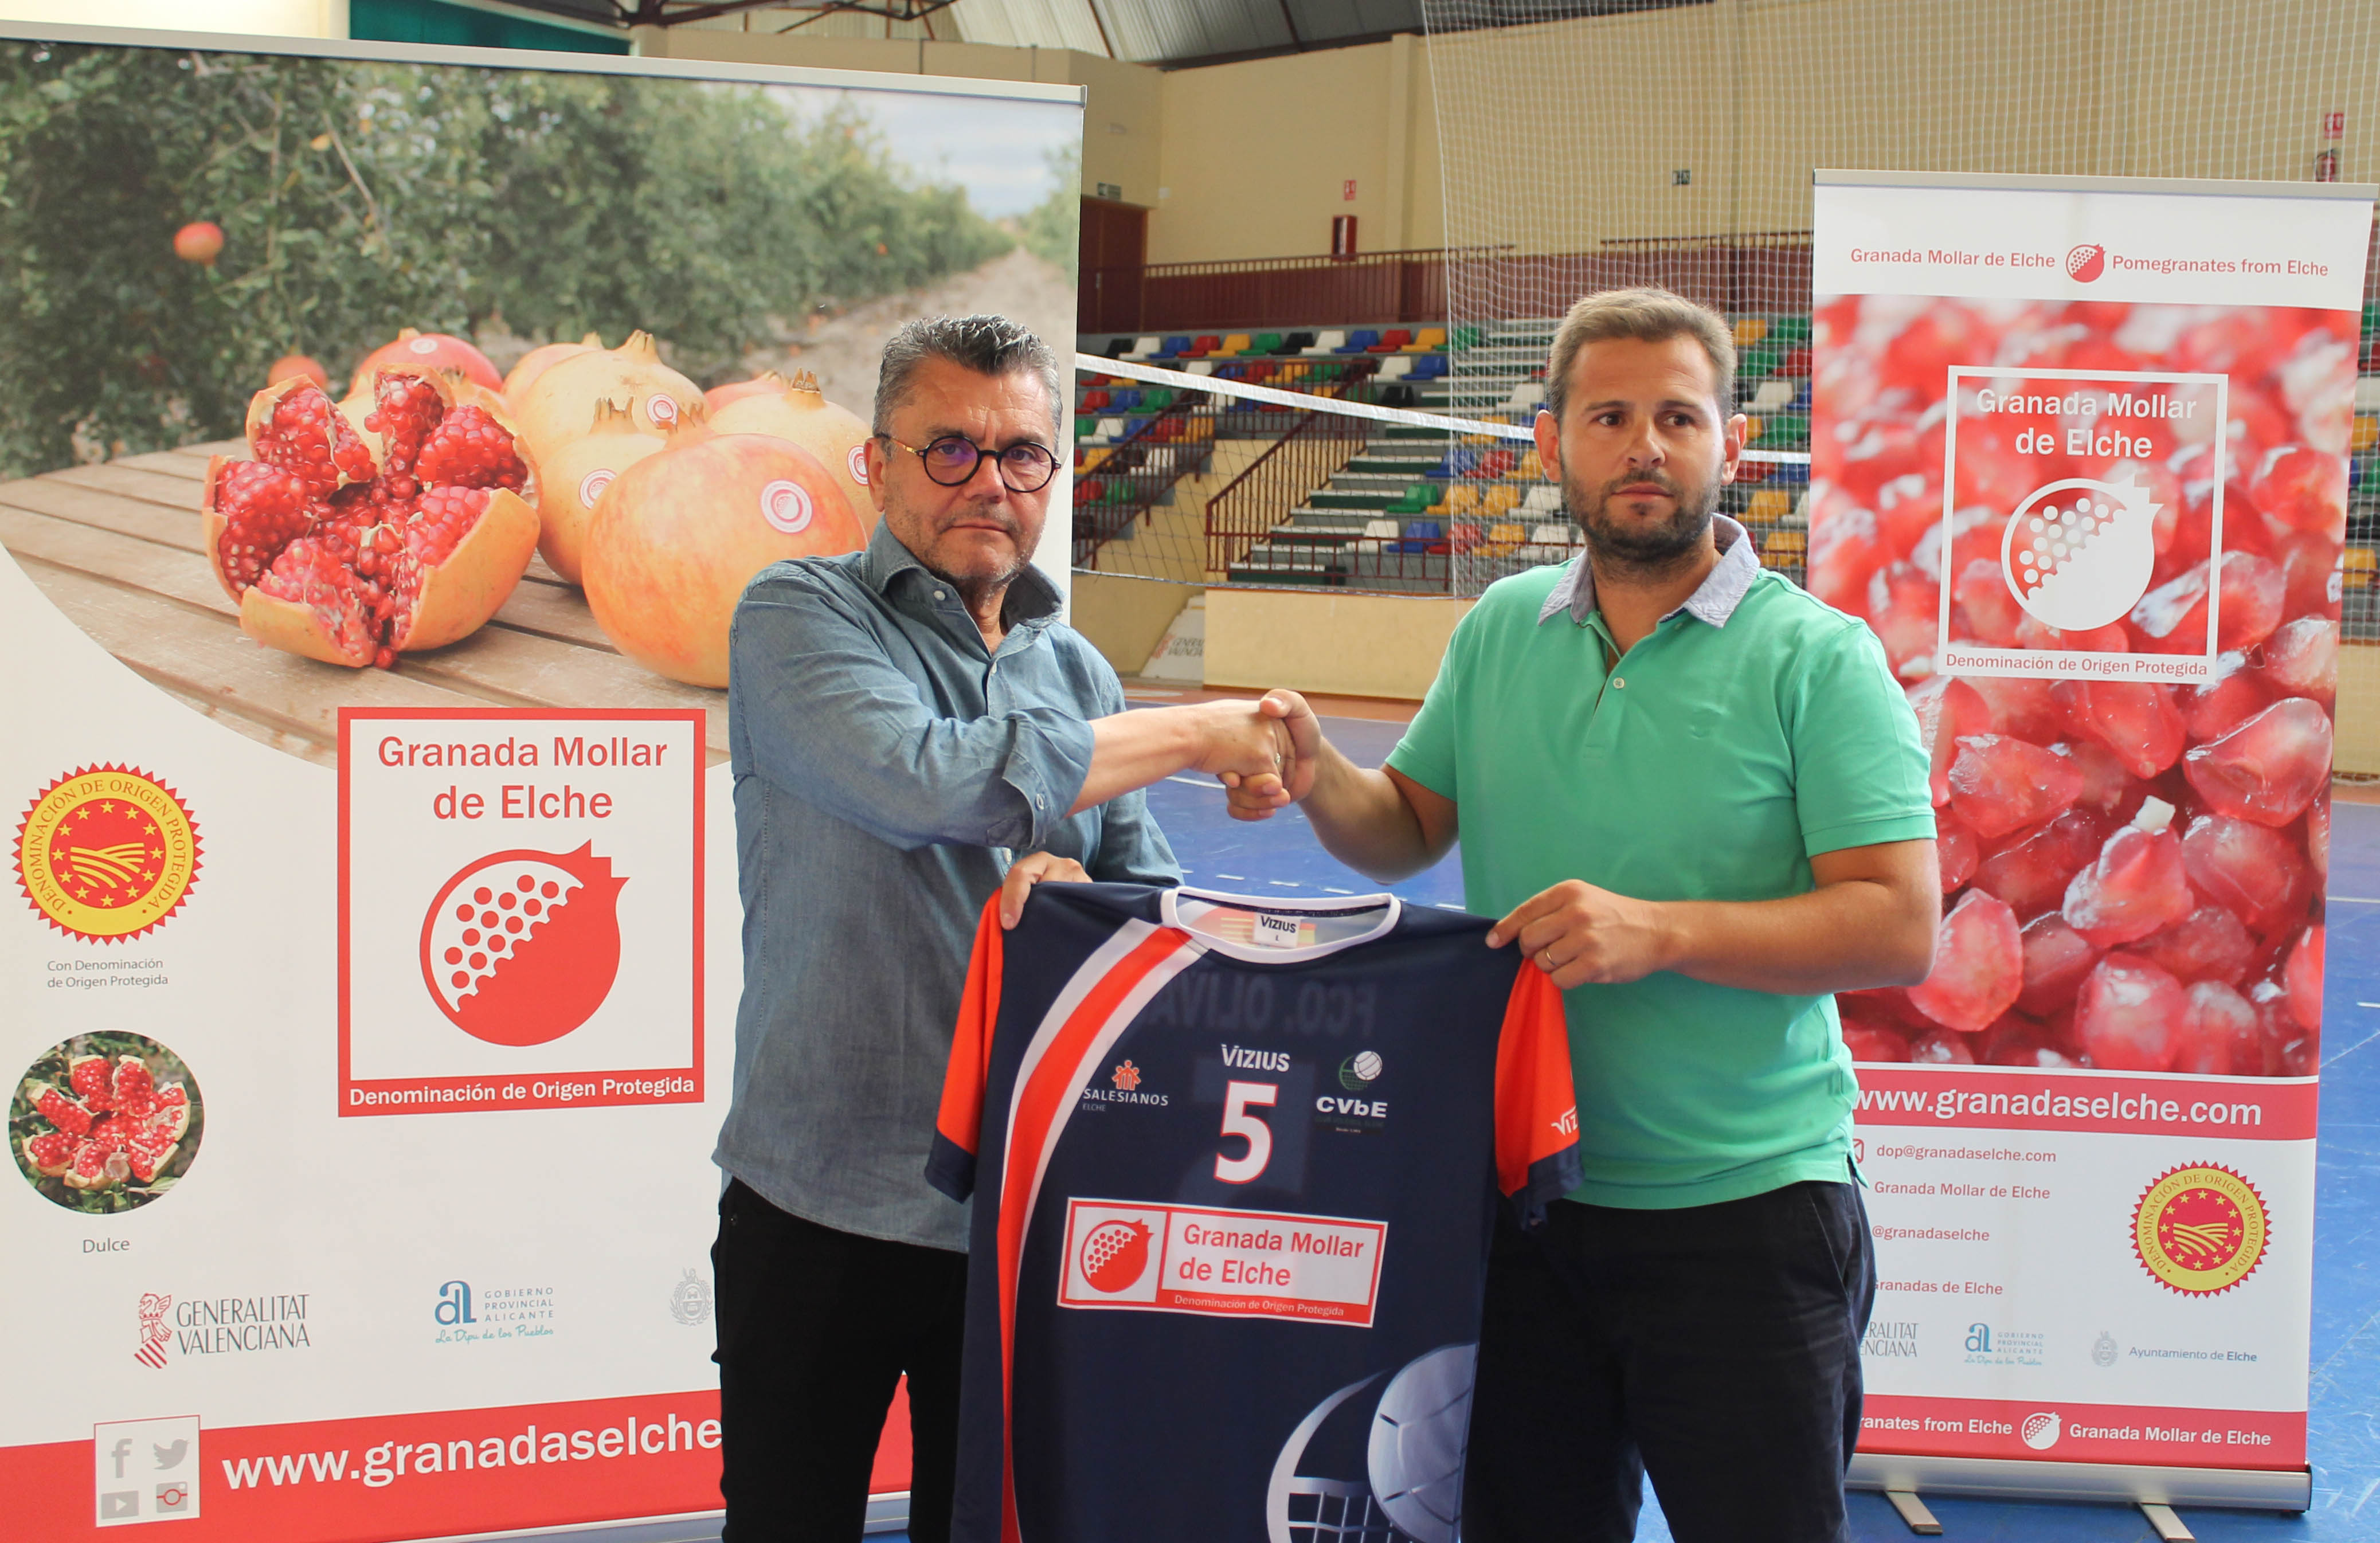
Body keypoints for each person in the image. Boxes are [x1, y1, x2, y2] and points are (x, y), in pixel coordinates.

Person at [1232, 287, 1939, 1543]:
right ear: (1551, 444)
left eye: (1679, 415)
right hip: (1526, 1203)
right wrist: (1317, 772)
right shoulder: (1505, 626)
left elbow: (1896, 925)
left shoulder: (1819, 659)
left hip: (1745, 1214)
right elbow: (1405, 825)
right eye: (1609, 415)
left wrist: (1663, 929)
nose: (1645, 446)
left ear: (1731, 444)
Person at [713, 314, 1300, 1543]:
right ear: (875, 467)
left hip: (1025, 1200)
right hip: (820, 1193)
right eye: (950, 449)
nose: (991, 479)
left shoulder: (1077, 670)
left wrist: (1076, 894)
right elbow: (930, 780)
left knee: (994, 1525)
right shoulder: (794, 615)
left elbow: (1150, 901)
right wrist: (1198, 729)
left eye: (1022, 453)